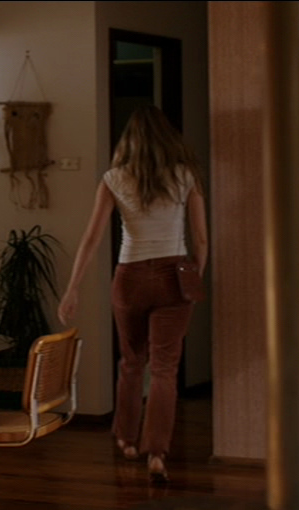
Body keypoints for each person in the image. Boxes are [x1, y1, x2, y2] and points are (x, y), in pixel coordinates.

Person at [57, 105, 208, 483]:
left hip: (130, 276)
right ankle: (156, 452)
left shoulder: (114, 178)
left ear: (130, 141)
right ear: (167, 138)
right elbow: (201, 239)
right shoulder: (185, 175)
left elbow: (92, 238)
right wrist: (194, 276)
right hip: (174, 274)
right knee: (164, 368)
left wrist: (72, 288)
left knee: (131, 361)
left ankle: (126, 439)